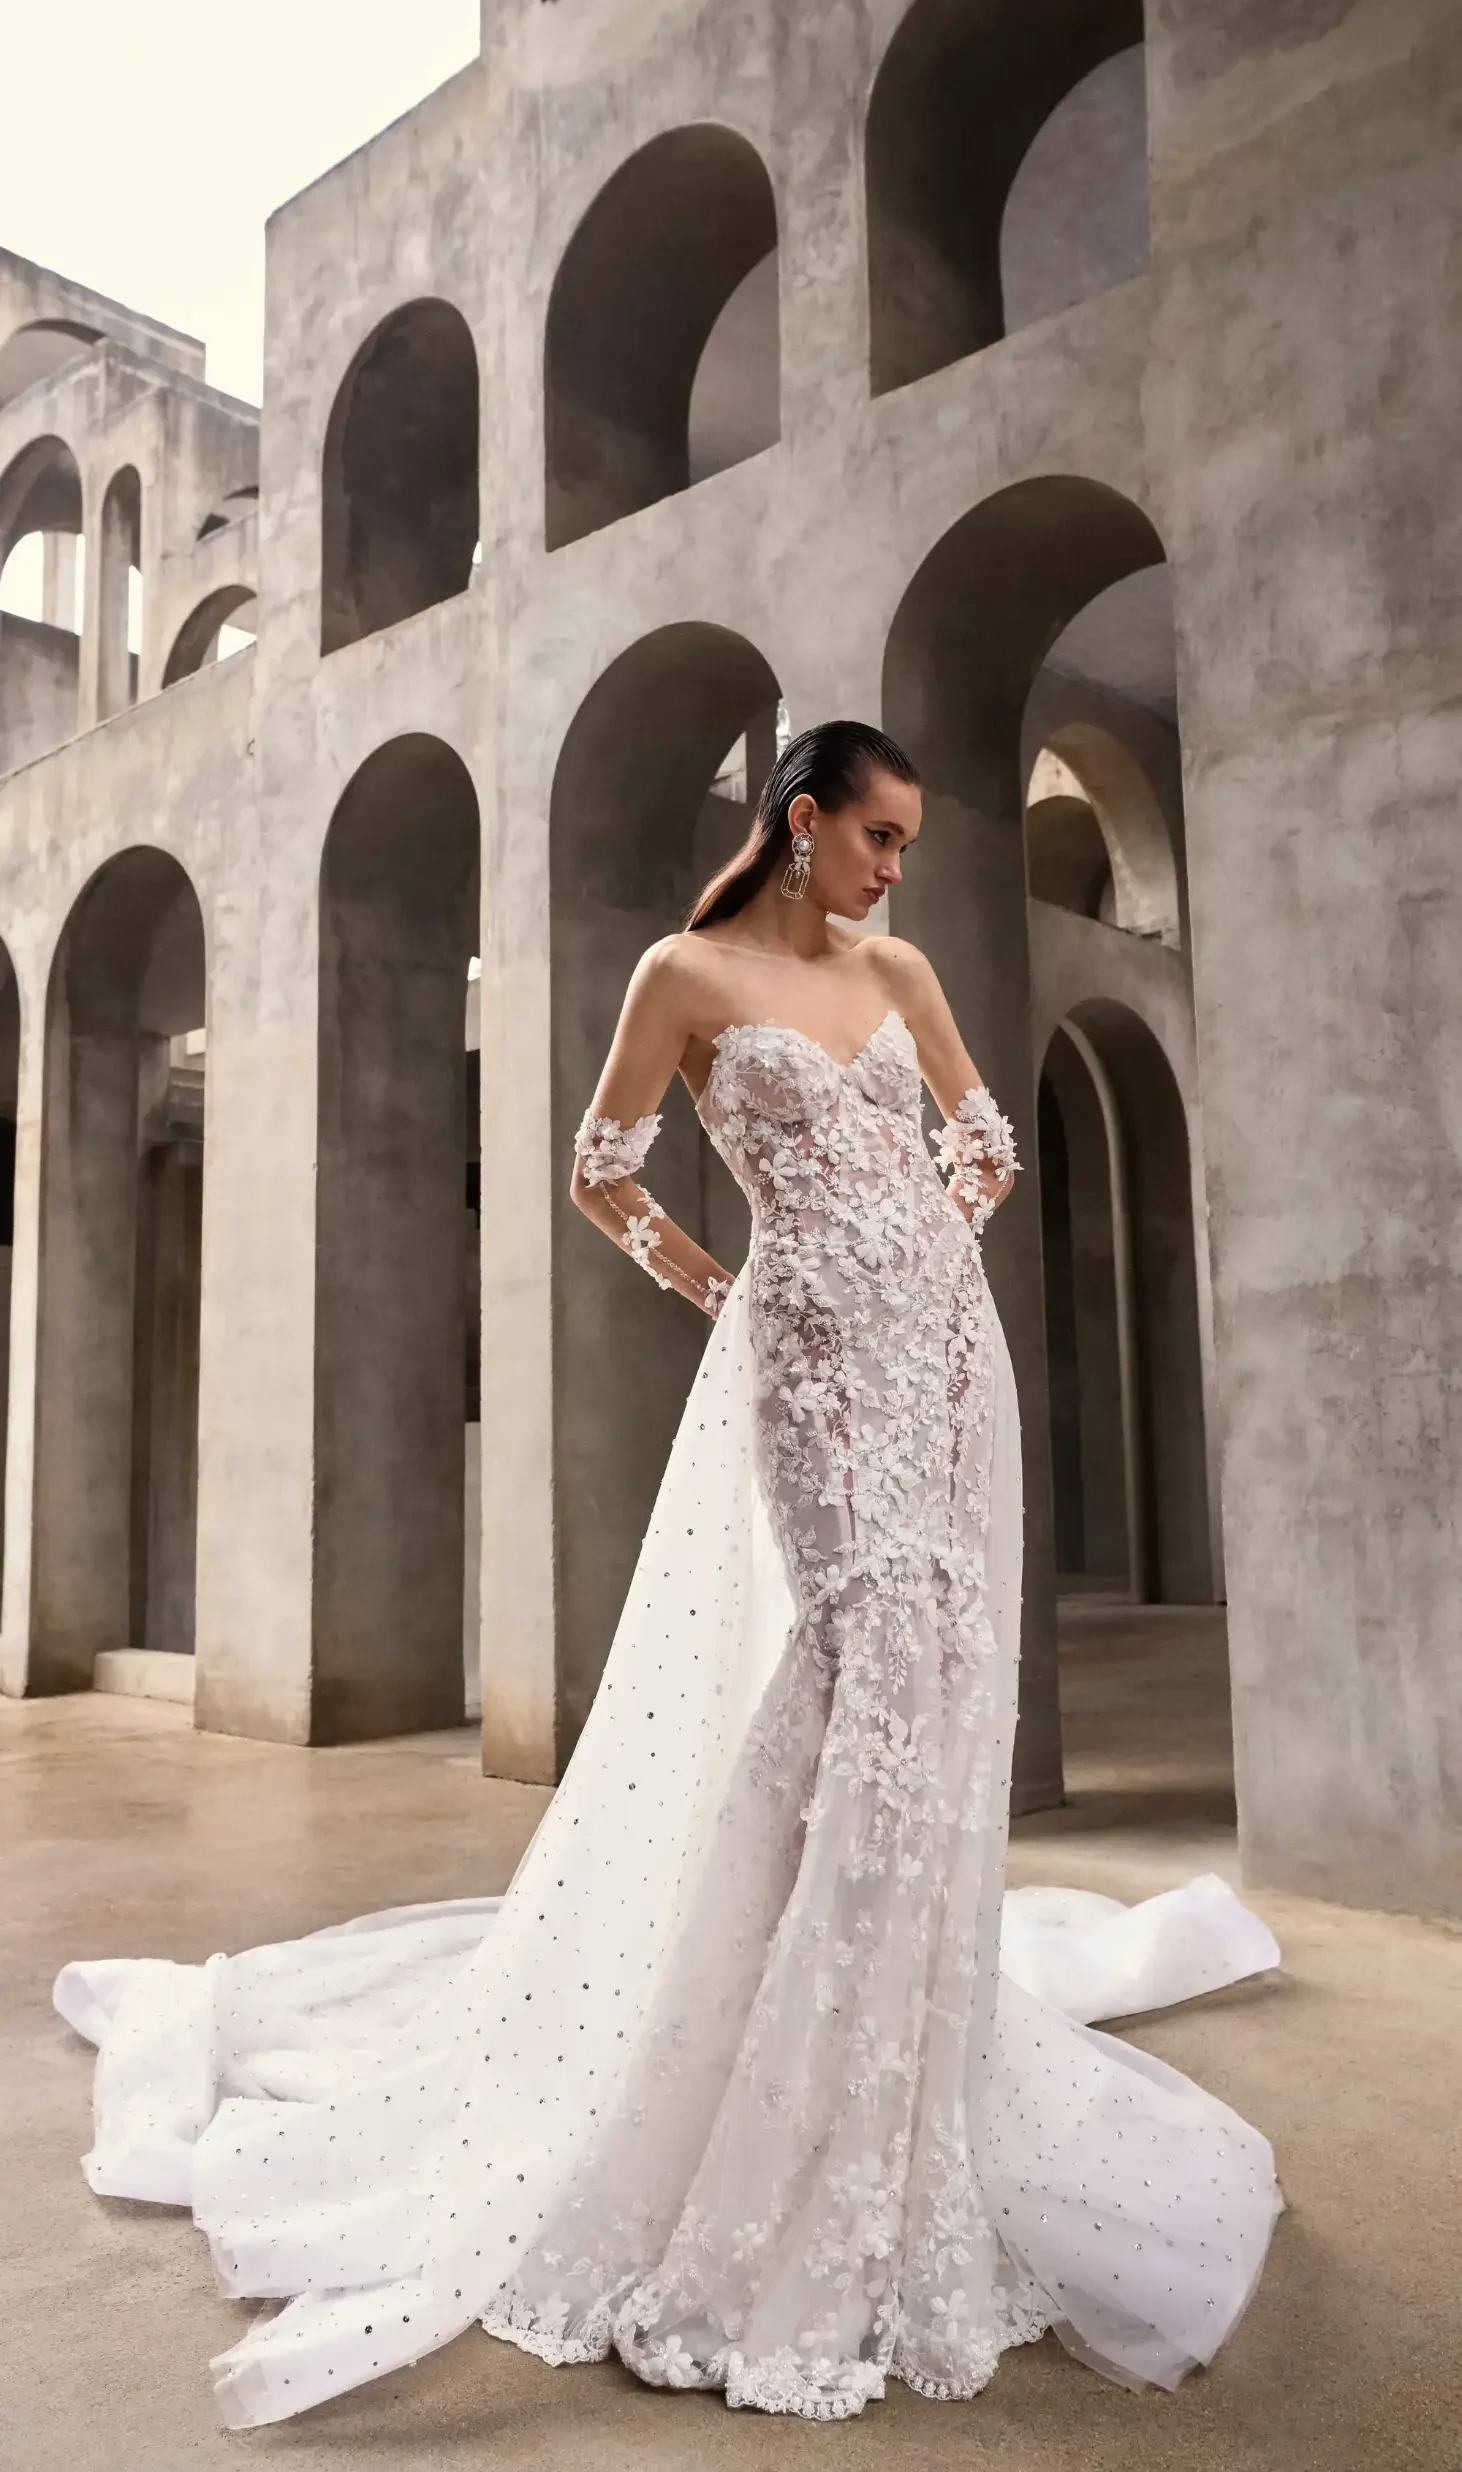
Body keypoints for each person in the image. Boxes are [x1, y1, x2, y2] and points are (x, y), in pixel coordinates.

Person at [55, 719, 1282, 2428]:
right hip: (805, 1364)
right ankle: (782, 2056)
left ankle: (888, 2036)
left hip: (937, 1354)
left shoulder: (904, 967)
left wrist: (925, 1241)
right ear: (800, 825)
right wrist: (737, 1289)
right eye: (878, 834)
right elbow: (597, 1171)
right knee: (863, 1656)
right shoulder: (684, 973)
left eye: (908, 841)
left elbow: (984, 1144)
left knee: (937, 1679)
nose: (894, 865)